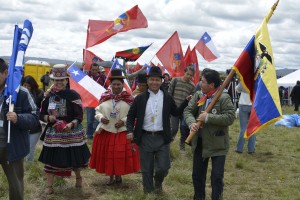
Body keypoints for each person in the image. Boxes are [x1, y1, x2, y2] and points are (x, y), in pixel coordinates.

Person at [126, 66, 190, 194]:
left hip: (162, 138)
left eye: (157, 80)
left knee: (163, 167)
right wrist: (129, 131)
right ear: (148, 81)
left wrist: (185, 102)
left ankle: (158, 182)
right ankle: (149, 193)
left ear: (161, 81)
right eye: (152, 80)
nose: (154, 82)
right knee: (146, 169)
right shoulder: (140, 98)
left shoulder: (166, 97)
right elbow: (130, 116)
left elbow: (176, 112)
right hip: (145, 138)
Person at [38, 64, 90, 195]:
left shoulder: (73, 95)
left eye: (61, 80)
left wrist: (71, 125)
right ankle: (49, 185)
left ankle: (78, 177)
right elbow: (41, 114)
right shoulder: (48, 96)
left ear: (67, 80)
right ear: (53, 81)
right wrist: (48, 118)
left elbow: (79, 115)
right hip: (54, 133)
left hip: (71, 132)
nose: (59, 82)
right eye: (56, 80)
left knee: (74, 157)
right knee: (51, 158)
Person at [184, 69, 235, 200]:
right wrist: (191, 124)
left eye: (203, 81)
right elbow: (188, 111)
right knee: (197, 175)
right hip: (200, 142)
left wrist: (208, 117)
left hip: (218, 144)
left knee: (217, 177)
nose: (200, 83)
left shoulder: (223, 97)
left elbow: (230, 117)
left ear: (212, 85)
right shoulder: (198, 95)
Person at [89, 68, 140, 185]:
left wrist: (123, 121)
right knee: (108, 155)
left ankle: (118, 175)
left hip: (122, 131)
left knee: (118, 155)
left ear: (123, 85)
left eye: (119, 84)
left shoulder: (129, 99)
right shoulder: (105, 97)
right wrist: (101, 118)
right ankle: (110, 176)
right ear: (110, 85)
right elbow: (97, 111)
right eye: (114, 84)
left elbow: (134, 115)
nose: (116, 86)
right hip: (106, 131)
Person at [0, 58, 40, 200]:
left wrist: (19, 118)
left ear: (5, 73)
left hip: (12, 147)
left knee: (16, 185)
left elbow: (35, 117)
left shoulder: (21, 93)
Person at [168, 65, 195, 151]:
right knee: (174, 128)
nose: (189, 76)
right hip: (174, 110)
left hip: (184, 111)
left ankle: (182, 147)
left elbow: (192, 99)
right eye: (188, 74)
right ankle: (168, 143)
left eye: (191, 75)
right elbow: (169, 94)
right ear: (184, 72)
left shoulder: (192, 85)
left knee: (184, 130)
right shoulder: (175, 80)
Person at [21, 75, 44, 161]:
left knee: (30, 148)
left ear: (33, 85)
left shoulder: (40, 94)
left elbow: (42, 108)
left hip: (35, 127)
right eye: (24, 85)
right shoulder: (20, 94)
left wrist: (45, 97)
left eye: (28, 85)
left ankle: (29, 167)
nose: (26, 87)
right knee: (23, 148)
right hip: (23, 125)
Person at [86, 63, 107, 139]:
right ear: (90, 69)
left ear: (98, 70)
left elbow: (106, 88)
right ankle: (89, 134)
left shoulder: (102, 78)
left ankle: (96, 133)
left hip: (99, 101)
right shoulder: (87, 77)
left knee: (98, 119)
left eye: (96, 70)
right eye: (93, 70)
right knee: (89, 120)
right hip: (90, 101)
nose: (94, 71)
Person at [235, 82, 256, 154]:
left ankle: (239, 148)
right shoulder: (258, 80)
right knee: (252, 128)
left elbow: (237, 89)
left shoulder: (244, 79)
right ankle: (251, 149)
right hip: (254, 104)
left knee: (243, 128)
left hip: (243, 103)